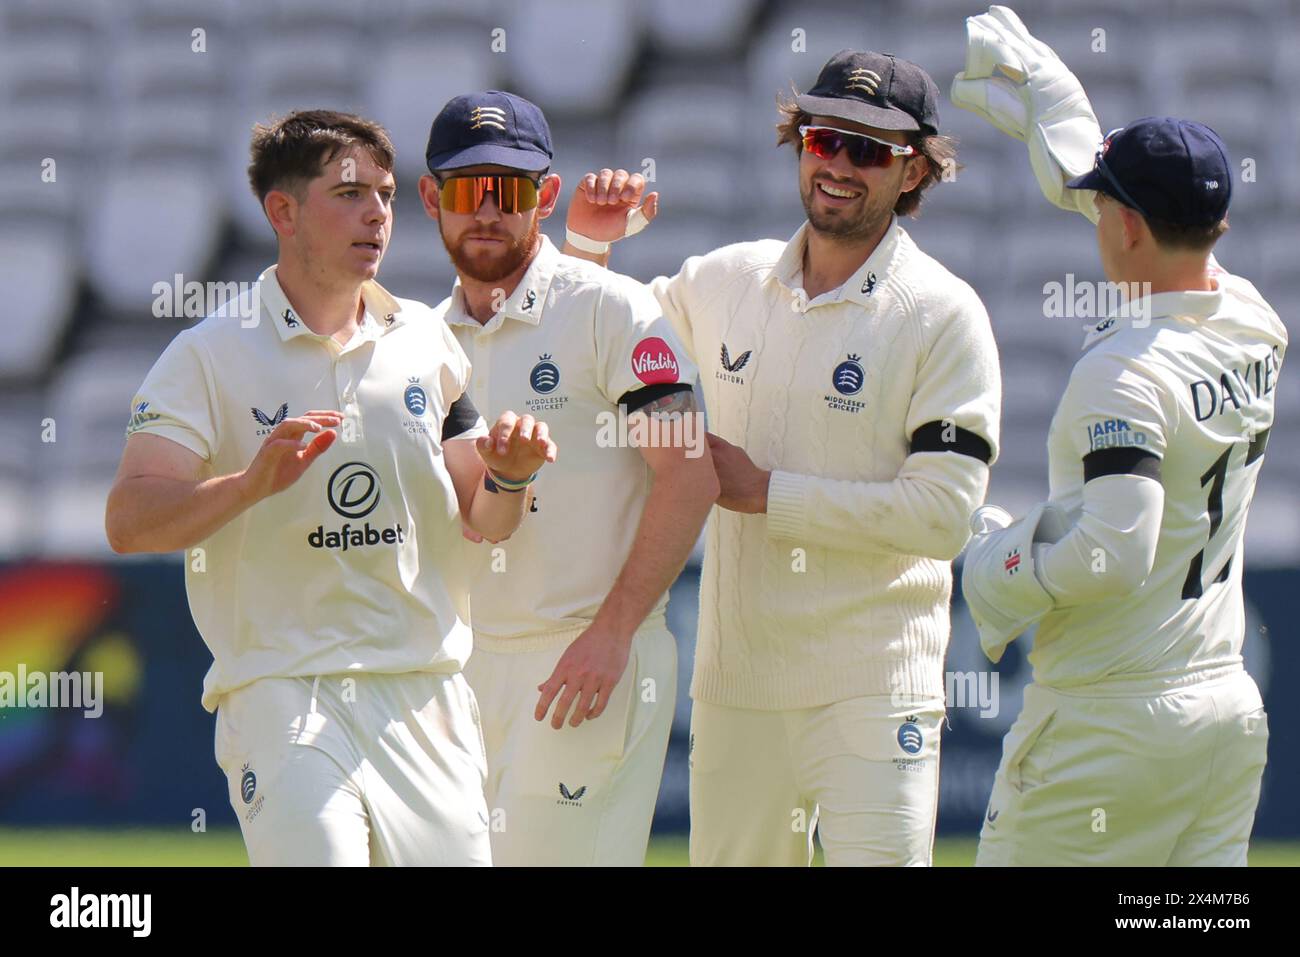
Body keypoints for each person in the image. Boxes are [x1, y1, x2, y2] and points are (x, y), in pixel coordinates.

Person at [564, 52, 1002, 866]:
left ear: (914, 173)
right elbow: (598, 364)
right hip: (737, 690)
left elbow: (945, 516)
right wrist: (588, 249)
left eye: (868, 151)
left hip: (875, 688)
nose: (836, 165)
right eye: (823, 138)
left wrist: (769, 492)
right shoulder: (720, 280)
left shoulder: (945, 315)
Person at [104, 109, 556, 866]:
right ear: (282, 211)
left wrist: (511, 475)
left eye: (383, 193)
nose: (377, 211)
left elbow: (490, 517)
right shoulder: (206, 354)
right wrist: (250, 485)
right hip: (283, 689)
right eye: (349, 193)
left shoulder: (426, 339)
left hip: (426, 694)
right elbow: (130, 519)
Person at [952, 6, 1285, 866]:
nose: (1093, 216)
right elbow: (1132, 210)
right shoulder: (1254, 319)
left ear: (1129, 226)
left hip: (1109, 721)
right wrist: (1060, 109)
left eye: (1105, 207)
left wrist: (1000, 566)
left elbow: (1114, 550)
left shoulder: (1125, 369)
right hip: (1219, 712)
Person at [417, 91, 718, 866]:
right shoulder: (417, 340)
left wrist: (612, 631)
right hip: (459, 671)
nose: (487, 212)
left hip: (586, 658)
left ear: (545, 197)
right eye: (466, 190)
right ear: (430, 199)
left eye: (509, 190)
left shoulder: (616, 310)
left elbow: (691, 476)